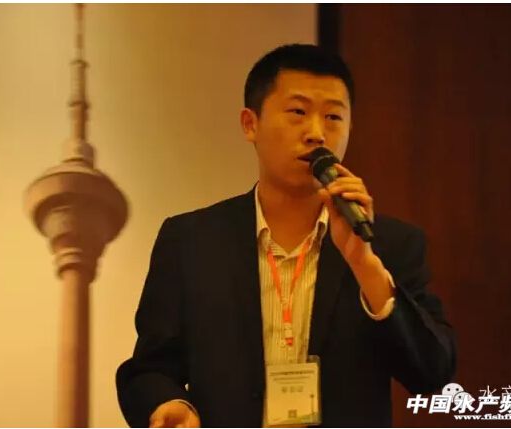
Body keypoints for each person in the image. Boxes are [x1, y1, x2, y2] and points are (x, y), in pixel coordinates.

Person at [116, 44, 456, 427]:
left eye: (333, 117)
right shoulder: (190, 242)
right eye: (298, 112)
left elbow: (433, 373)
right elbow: (149, 369)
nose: (317, 134)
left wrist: (364, 264)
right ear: (251, 124)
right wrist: (169, 403)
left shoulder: (386, 244)